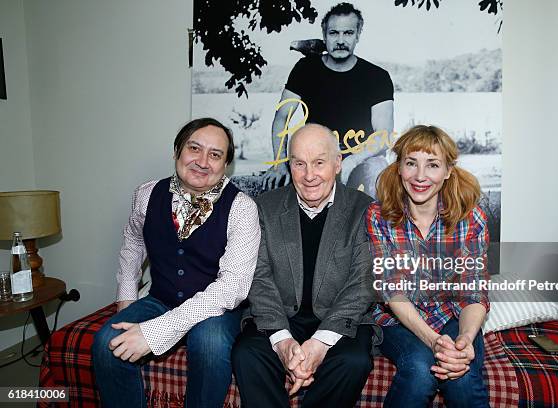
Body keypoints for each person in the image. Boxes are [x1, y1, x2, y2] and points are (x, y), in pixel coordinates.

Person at [92, 118, 261, 408]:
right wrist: (126, 299)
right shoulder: (146, 195)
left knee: (209, 345)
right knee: (107, 343)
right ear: (176, 152)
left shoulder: (243, 208)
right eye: (194, 148)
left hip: (216, 308)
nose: (203, 161)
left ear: (226, 165)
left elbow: (232, 287)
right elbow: (132, 244)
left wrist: (156, 332)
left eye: (215, 154)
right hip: (161, 297)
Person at [232, 123, 379, 408]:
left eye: (319, 163)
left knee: (354, 361)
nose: (309, 175)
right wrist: (283, 341)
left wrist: (320, 342)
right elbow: (259, 277)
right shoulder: (264, 207)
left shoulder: (365, 209)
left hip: (339, 319)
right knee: (247, 353)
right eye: (299, 164)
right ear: (290, 166)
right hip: (280, 317)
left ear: (337, 164)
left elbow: (362, 284)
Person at [365, 125, 490, 408]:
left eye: (432, 165)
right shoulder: (378, 217)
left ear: (447, 171)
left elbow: (474, 291)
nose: (420, 176)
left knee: (462, 376)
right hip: (397, 319)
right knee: (420, 371)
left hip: (453, 313)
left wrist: (465, 339)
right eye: (411, 163)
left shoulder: (471, 219)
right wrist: (434, 341)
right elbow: (392, 292)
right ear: (399, 168)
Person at [264, 2, 394, 193]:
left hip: (362, 159)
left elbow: (383, 135)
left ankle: (373, 223)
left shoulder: (377, 77)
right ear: (324, 35)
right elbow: (282, 117)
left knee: (377, 170)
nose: (340, 40)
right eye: (334, 33)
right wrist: (280, 163)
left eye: (348, 33)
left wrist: (351, 161)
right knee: (277, 190)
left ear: (358, 35)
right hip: (315, 157)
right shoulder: (305, 69)